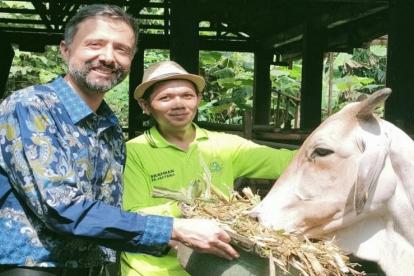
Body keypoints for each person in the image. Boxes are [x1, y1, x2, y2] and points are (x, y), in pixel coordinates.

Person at [0, 5, 237, 276]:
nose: (108, 57)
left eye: (121, 49)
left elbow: (107, 211)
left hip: (91, 266)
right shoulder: (31, 106)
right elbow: (60, 208)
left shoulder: (109, 126)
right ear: (65, 50)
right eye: (95, 44)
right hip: (32, 266)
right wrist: (173, 228)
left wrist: (173, 238)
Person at [122, 60, 296, 276]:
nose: (178, 104)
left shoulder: (223, 146)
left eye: (187, 96)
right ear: (145, 106)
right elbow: (131, 216)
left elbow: (289, 162)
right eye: (165, 98)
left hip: (216, 267)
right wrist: (194, 208)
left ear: (198, 99)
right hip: (154, 270)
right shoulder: (133, 152)